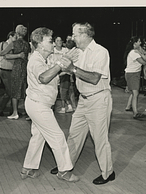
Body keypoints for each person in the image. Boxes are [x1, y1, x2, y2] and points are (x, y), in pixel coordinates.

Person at [51, 22, 115, 185]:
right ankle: (65, 166)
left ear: (87, 35)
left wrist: (72, 68)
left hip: (99, 99)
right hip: (84, 100)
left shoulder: (100, 52)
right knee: (74, 134)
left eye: (76, 34)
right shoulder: (77, 51)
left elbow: (94, 78)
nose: (73, 37)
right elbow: (64, 67)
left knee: (99, 138)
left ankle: (108, 172)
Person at [21, 27, 79, 182]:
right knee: (58, 136)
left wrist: (63, 70)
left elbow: (50, 74)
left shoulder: (42, 58)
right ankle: (64, 171)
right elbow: (44, 78)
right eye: (50, 41)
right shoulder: (36, 60)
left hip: (37, 104)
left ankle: (28, 169)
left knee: (38, 137)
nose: (53, 44)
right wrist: (60, 65)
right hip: (39, 106)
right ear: (40, 44)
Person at [0, 25, 31, 120]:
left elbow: (2, 53)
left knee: (15, 90)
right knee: (25, 89)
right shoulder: (27, 44)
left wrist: (15, 55)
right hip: (25, 67)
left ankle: (15, 112)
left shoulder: (14, 43)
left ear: (17, 33)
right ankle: (28, 112)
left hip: (17, 67)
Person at [0, 31, 17, 116]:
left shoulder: (12, 45)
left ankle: (12, 110)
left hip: (10, 70)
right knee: (10, 91)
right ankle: (0, 107)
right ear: (10, 36)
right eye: (15, 37)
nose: (16, 39)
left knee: (11, 91)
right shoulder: (4, 44)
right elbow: (5, 55)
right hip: (5, 70)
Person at [123, 36, 146, 119]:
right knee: (135, 94)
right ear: (134, 43)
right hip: (132, 74)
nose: (140, 43)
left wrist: (141, 51)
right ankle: (135, 113)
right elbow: (144, 62)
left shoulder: (136, 51)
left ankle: (129, 106)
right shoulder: (133, 53)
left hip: (134, 74)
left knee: (134, 93)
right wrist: (141, 53)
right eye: (139, 41)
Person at [53, 36, 74, 113]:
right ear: (54, 42)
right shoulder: (52, 50)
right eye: (57, 40)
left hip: (65, 73)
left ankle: (64, 107)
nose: (59, 42)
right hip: (55, 72)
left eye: (60, 40)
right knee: (56, 91)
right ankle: (67, 106)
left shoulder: (66, 50)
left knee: (64, 90)